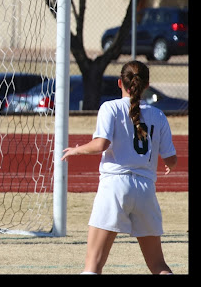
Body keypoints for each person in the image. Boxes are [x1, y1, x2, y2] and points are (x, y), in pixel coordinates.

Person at [62, 60, 178, 274]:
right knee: (159, 266)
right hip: (145, 190)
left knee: (93, 265)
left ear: (119, 83)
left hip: (115, 187)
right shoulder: (158, 115)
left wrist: (75, 150)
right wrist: (168, 164)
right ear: (146, 84)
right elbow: (171, 159)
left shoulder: (110, 108)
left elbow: (101, 144)